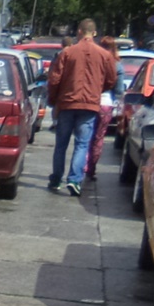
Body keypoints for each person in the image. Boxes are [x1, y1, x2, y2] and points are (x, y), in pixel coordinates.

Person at [47, 19, 117, 196]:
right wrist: (97, 89)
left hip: (67, 103)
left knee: (61, 144)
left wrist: (53, 100)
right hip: (90, 105)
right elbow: (111, 80)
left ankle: (56, 179)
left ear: (79, 31)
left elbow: (55, 79)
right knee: (82, 143)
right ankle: (74, 180)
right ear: (94, 33)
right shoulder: (104, 55)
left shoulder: (68, 53)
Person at [86, 35, 125, 180]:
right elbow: (119, 91)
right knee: (99, 137)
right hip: (106, 104)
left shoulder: (93, 60)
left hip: (88, 101)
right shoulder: (117, 65)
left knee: (85, 136)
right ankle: (91, 168)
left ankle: (80, 167)